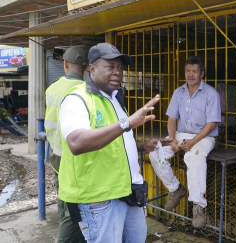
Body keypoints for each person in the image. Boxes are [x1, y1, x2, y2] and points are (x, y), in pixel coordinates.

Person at [58, 43, 171, 243]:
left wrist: (141, 145)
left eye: (119, 67)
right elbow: (76, 143)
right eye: (110, 67)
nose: (117, 72)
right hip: (100, 198)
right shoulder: (78, 99)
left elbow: (116, 137)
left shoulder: (113, 99)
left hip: (127, 192)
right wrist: (127, 122)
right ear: (92, 69)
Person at [149, 56, 221, 229]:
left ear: (202, 73)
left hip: (204, 136)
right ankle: (175, 188)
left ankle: (198, 206)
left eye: (194, 71)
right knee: (155, 153)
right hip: (181, 134)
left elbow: (212, 124)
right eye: (188, 71)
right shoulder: (178, 92)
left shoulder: (211, 94)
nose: (190, 74)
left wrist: (192, 142)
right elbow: (172, 119)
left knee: (194, 158)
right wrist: (172, 139)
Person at [44, 46, 88, 243]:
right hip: (74, 157)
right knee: (75, 208)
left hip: (55, 155)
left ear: (65, 64)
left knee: (63, 201)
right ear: (86, 68)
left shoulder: (52, 88)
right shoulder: (84, 90)